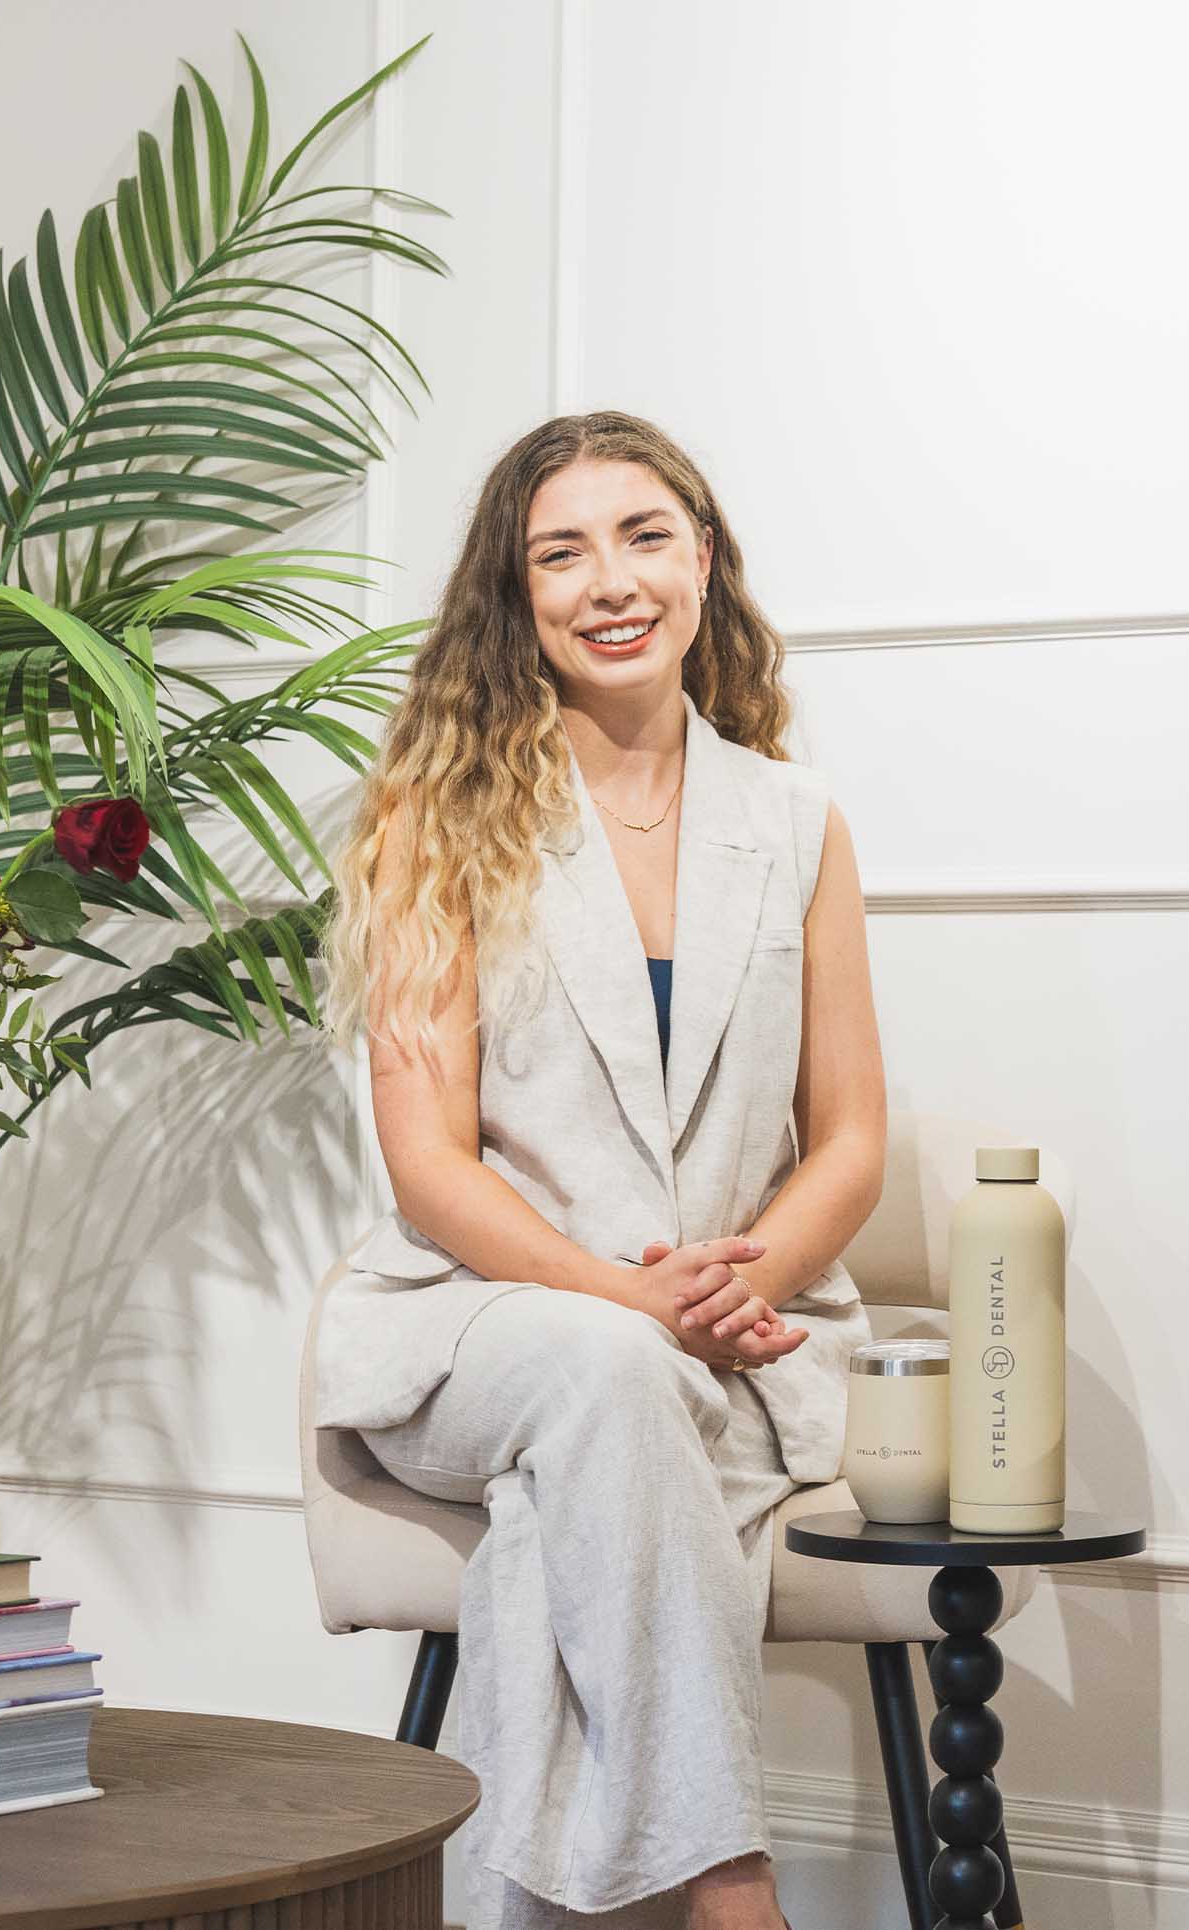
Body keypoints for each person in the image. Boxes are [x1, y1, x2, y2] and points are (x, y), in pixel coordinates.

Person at [313, 411, 887, 1930]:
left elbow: (849, 1140)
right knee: (604, 1374)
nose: (608, 580)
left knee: (572, 1486)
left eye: (643, 536)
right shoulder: (437, 817)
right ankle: (733, 1883)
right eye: (559, 552)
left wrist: (738, 1282)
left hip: (729, 1332)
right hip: (477, 1319)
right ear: (519, 597)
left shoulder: (798, 824)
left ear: (703, 559)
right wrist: (636, 1302)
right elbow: (430, 1167)